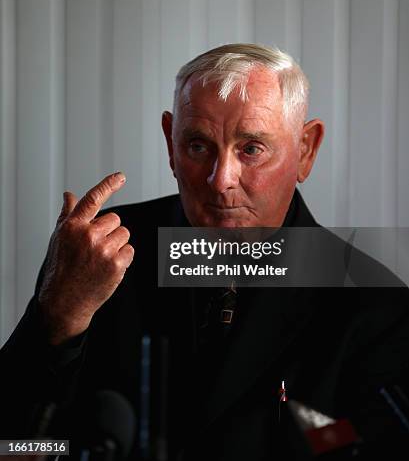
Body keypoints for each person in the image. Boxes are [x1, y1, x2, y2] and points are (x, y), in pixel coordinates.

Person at [1, 43, 409, 460]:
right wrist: (57, 318)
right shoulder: (99, 253)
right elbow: (16, 447)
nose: (220, 180)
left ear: (305, 150)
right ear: (170, 142)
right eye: (198, 146)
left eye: (251, 149)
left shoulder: (373, 303)